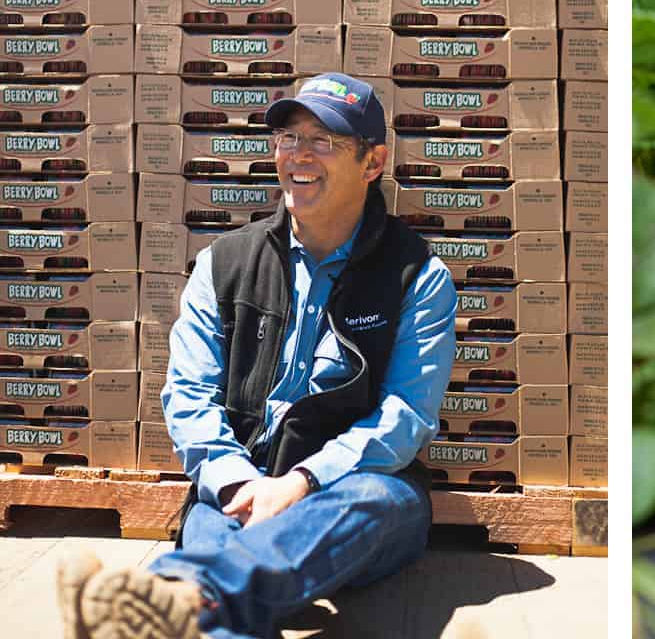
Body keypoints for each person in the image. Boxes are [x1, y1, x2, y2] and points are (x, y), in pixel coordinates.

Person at [56, 73, 457, 639]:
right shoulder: (223, 264)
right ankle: (190, 601)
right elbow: (189, 396)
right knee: (225, 601)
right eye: (288, 138)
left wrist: (300, 483)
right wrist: (239, 482)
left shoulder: (418, 276)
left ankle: (179, 590)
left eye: (324, 141)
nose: (299, 155)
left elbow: (404, 418)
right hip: (238, 485)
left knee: (369, 499)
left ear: (372, 164)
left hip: (354, 493)